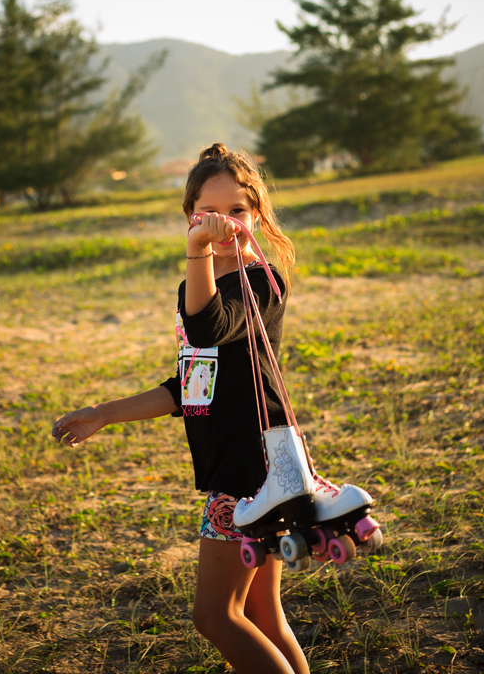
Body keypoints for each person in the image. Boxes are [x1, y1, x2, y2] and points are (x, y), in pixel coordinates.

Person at [51, 142, 307, 674]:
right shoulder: (196, 285)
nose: (225, 226)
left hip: (250, 471)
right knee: (262, 614)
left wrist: (197, 252)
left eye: (238, 211)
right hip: (251, 464)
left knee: (214, 617)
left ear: (256, 213)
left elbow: (210, 325)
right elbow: (193, 386)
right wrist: (105, 412)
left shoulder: (262, 281)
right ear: (190, 215)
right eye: (209, 214)